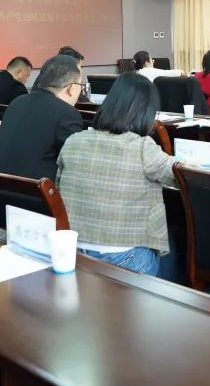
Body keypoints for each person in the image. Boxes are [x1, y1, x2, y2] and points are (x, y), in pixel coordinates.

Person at [57, 73, 187, 276]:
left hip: (73, 251)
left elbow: (58, 188)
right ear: (146, 113)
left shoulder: (74, 140)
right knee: (173, 244)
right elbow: (182, 176)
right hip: (124, 258)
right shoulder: (142, 147)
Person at [0, 55, 85, 181]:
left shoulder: (16, 102)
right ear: (70, 88)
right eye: (81, 85)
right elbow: (77, 164)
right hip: (35, 191)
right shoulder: (67, 114)